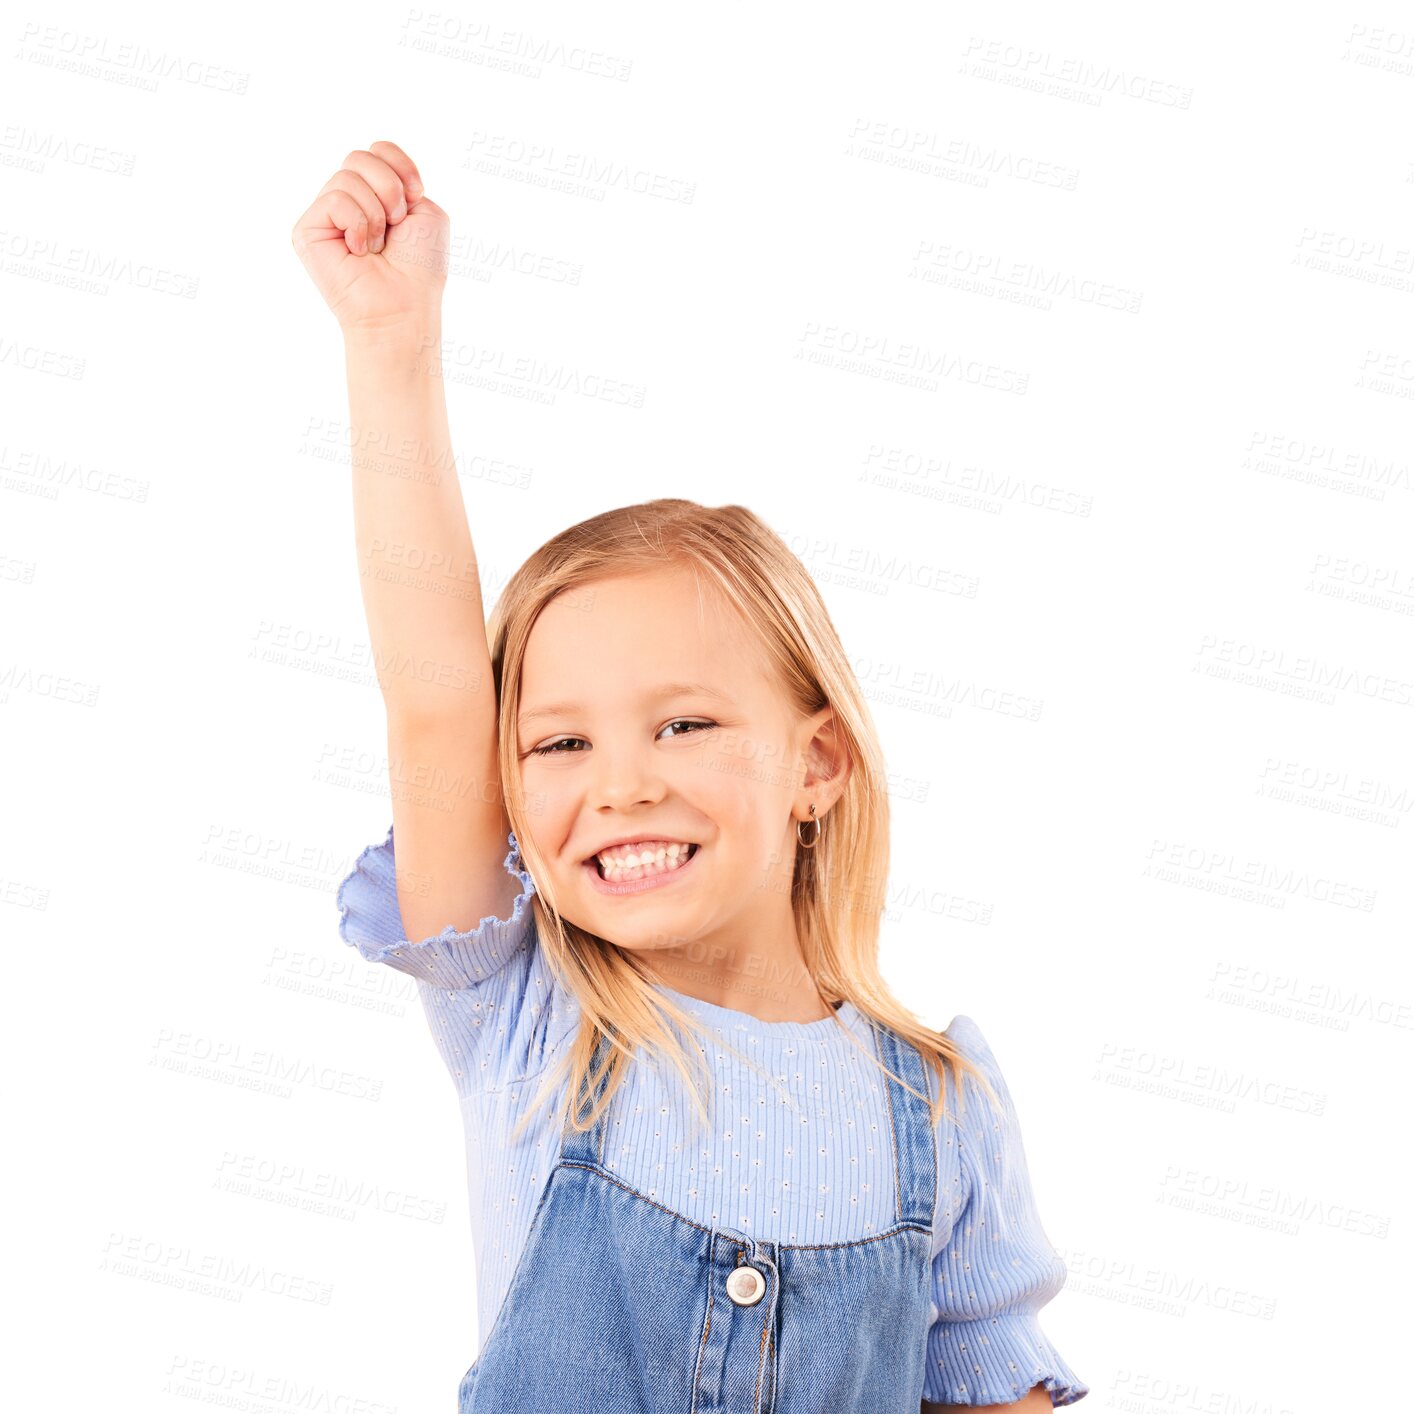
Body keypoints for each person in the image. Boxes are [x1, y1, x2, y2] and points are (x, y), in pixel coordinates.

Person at [293, 141, 1089, 1413]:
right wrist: (390, 344)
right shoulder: (526, 1021)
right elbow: (438, 701)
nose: (619, 786)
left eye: (682, 726)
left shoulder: (938, 1111)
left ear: (816, 763)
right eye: (559, 742)